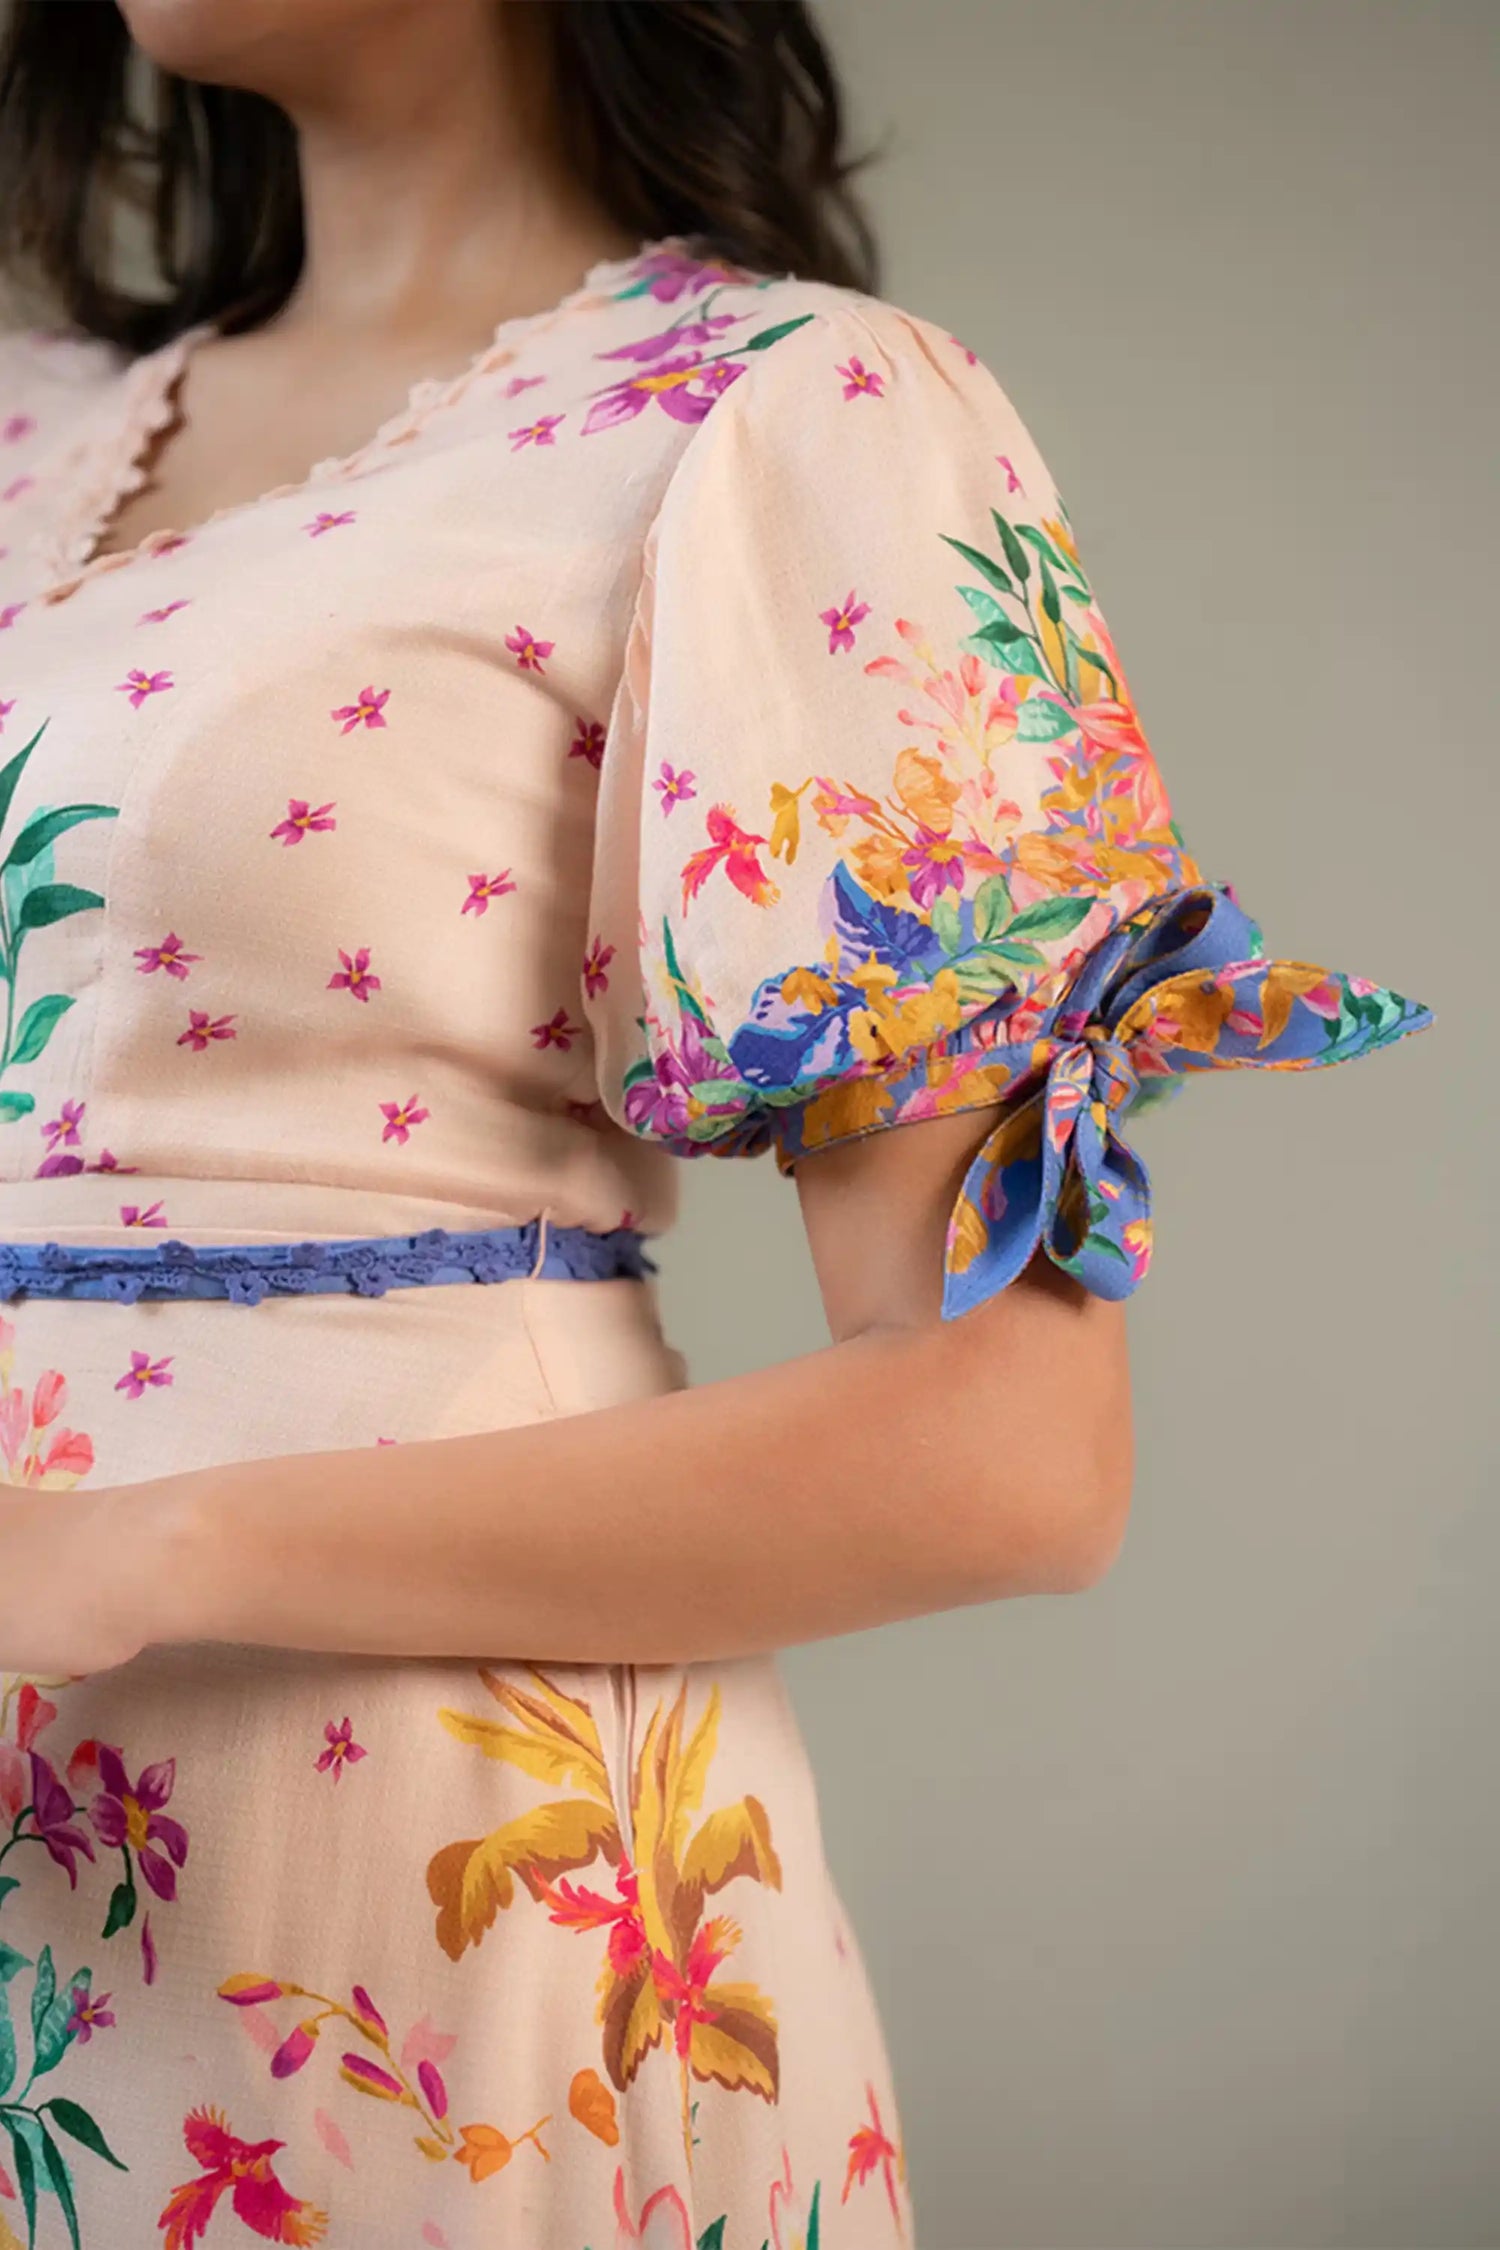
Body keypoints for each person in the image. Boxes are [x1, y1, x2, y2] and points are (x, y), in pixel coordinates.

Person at [0, 2, 1432, 2244]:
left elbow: (1010, 1448)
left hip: (387, 1904)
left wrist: (120, 1556)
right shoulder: (21, 424)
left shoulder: (793, 418)